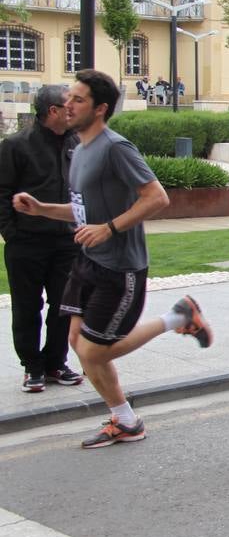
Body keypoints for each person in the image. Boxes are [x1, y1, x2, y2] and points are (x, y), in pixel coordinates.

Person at [12, 70, 213, 449]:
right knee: (77, 341)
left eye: (78, 100)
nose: (67, 105)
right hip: (87, 261)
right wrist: (41, 209)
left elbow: (156, 197)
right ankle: (124, 420)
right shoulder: (79, 148)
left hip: (120, 266)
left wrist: (110, 228)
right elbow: (82, 210)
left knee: (93, 350)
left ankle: (179, 317)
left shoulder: (115, 147)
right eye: (68, 98)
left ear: (100, 108)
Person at [0, 85, 82, 392]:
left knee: (65, 306)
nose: (73, 108)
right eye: (68, 104)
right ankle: (32, 367)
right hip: (26, 242)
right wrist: (12, 233)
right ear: (53, 111)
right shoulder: (16, 145)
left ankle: (55, 363)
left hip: (67, 243)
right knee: (26, 306)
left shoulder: (78, 143)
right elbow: (2, 192)